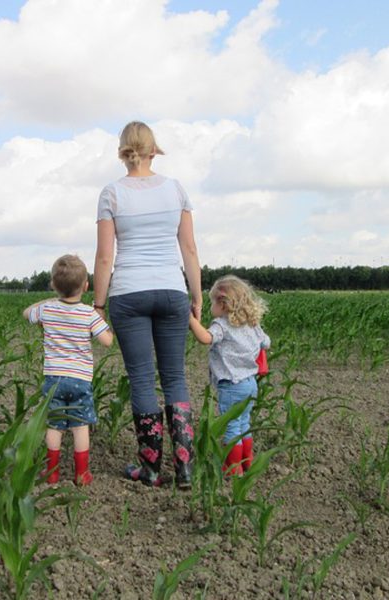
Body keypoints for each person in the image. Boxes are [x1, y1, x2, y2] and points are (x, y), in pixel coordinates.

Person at [92, 121, 202, 488]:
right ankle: (185, 468)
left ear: (124, 152)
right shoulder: (175, 189)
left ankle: (152, 469)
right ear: (154, 150)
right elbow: (189, 249)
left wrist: (99, 304)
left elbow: (105, 258)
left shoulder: (112, 194)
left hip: (128, 292)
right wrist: (197, 295)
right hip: (172, 291)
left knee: (141, 380)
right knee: (175, 377)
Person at [24, 254, 114, 486]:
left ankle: (51, 472)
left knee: (54, 425)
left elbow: (26, 314)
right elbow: (107, 341)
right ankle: (82, 473)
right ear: (86, 286)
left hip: (53, 378)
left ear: (53, 285)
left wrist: (47, 301)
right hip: (80, 380)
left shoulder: (47, 310)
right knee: (80, 425)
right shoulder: (88, 313)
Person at [188, 275, 270, 475]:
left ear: (223, 304)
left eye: (212, 302)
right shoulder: (252, 324)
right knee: (244, 423)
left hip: (231, 385)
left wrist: (189, 319)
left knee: (232, 426)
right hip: (250, 383)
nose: (210, 307)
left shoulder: (221, 325)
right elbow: (266, 343)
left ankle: (232, 468)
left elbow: (206, 338)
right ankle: (246, 462)